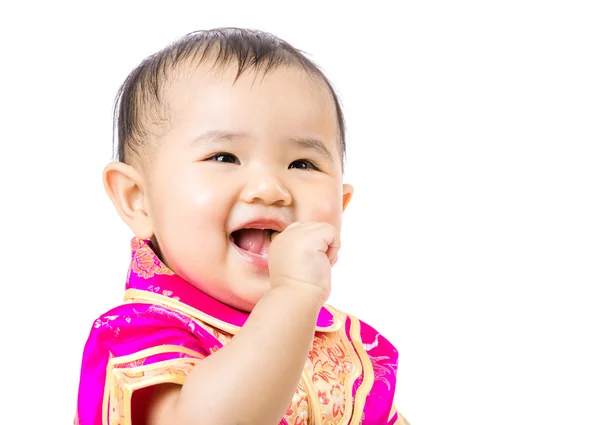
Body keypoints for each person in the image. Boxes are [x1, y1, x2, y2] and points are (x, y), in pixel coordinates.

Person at [75, 27, 408, 425]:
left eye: (303, 164)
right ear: (137, 198)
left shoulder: (352, 349)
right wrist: (293, 296)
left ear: (341, 204)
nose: (270, 189)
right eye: (224, 157)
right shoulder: (140, 332)